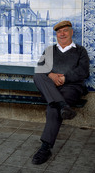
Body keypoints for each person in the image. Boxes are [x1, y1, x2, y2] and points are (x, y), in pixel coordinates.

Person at [32, 20, 89, 165]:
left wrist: (64, 78)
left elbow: (84, 71)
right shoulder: (49, 50)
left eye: (65, 31)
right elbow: (40, 67)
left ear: (71, 32)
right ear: (56, 35)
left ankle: (45, 148)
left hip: (71, 88)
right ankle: (63, 106)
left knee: (53, 108)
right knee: (38, 74)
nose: (62, 34)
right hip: (51, 88)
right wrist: (51, 75)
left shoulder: (80, 51)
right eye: (59, 32)